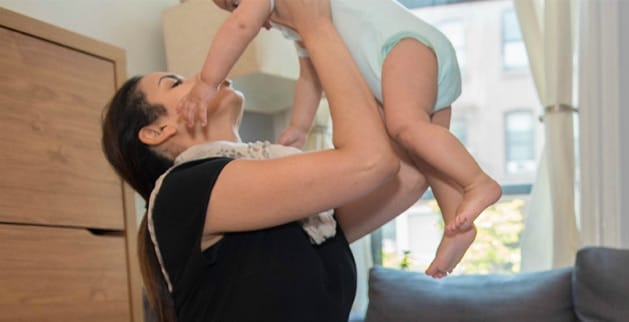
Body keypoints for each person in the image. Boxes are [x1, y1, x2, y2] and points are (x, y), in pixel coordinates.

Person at [102, 1, 429, 321]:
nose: (202, 75)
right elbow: (371, 162)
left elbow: (410, 175)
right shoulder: (182, 190)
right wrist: (314, 26)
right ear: (158, 130)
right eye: (175, 83)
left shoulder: (305, 215)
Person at [177, 0, 502, 277]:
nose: (242, 12)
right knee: (428, 158)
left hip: (403, 46)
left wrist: (207, 83)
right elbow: (309, 75)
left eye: (233, 3)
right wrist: (300, 125)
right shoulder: (300, 21)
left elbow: (240, 27)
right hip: (404, 56)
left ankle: (478, 181)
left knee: (405, 125)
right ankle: (456, 226)